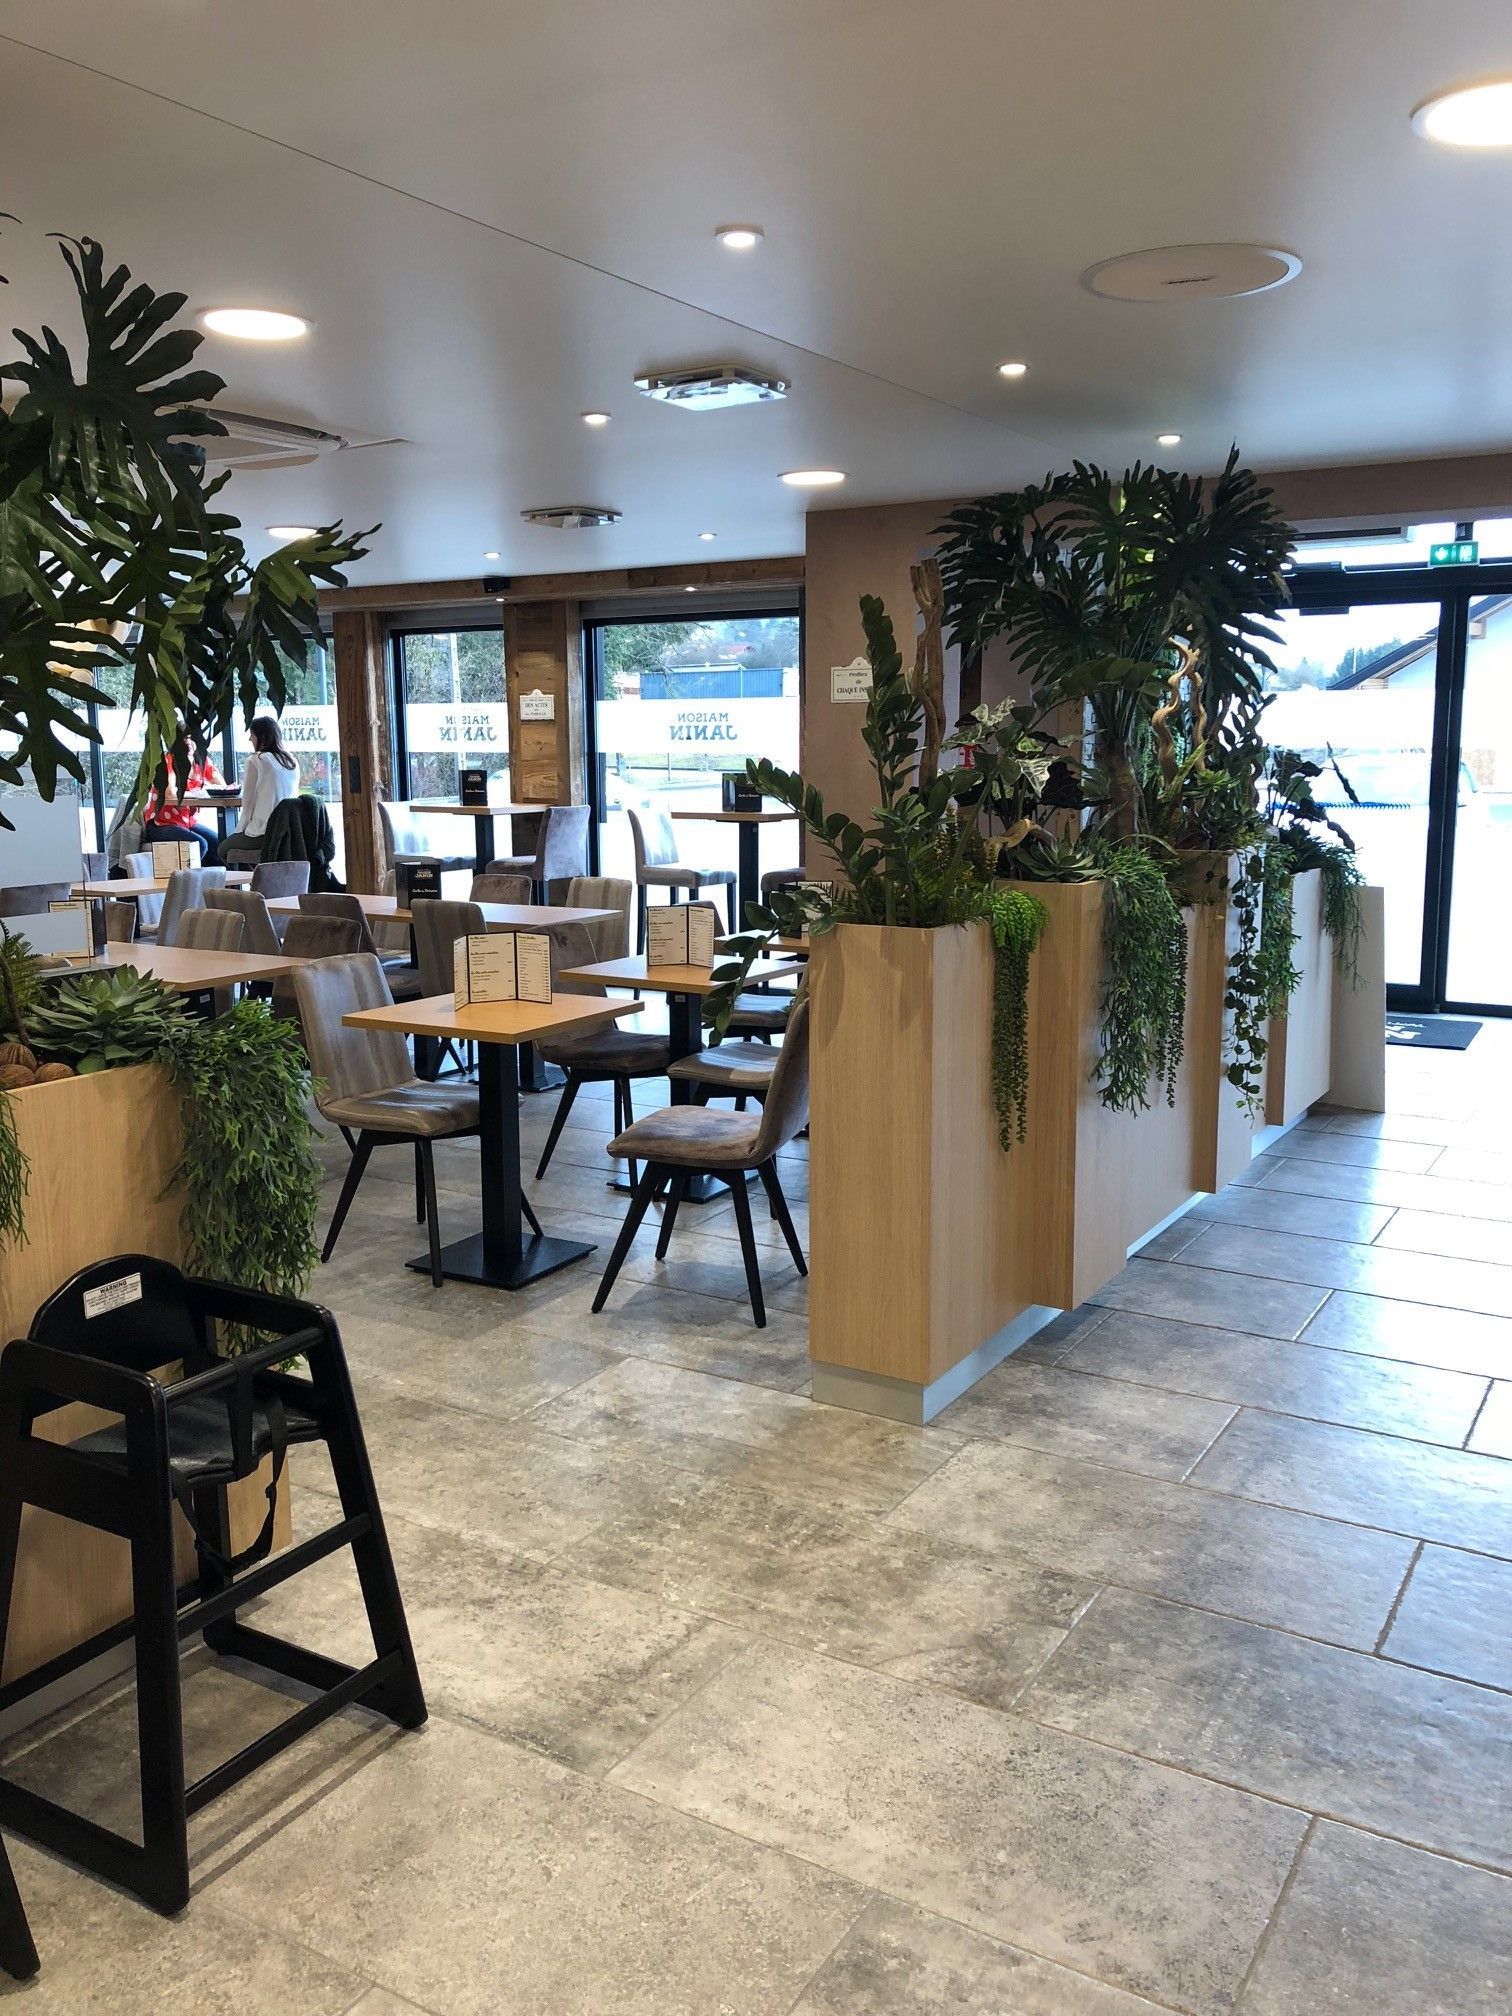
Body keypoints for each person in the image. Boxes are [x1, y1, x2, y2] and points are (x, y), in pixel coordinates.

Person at [221, 716, 301, 865]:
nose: (250, 739)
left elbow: (248, 802)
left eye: (252, 735)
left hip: (264, 832)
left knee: (223, 849)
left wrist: (240, 831)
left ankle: (256, 881)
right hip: (289, 832)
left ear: (261, 737)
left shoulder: (257, 760)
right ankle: (260, 879)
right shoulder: (292, 761)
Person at [139, 744, 223, 864]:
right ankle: (189, 881)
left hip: (187, 824)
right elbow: (170, 792)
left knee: (219, 844)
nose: (188, 742)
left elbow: (221, 786)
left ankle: (217, 881)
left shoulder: (201, 760)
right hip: (160, 825)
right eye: (183, 739)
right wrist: (198, 792)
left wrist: (203, 789)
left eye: (191, 738)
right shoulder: (169, 760)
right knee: (200, 845)